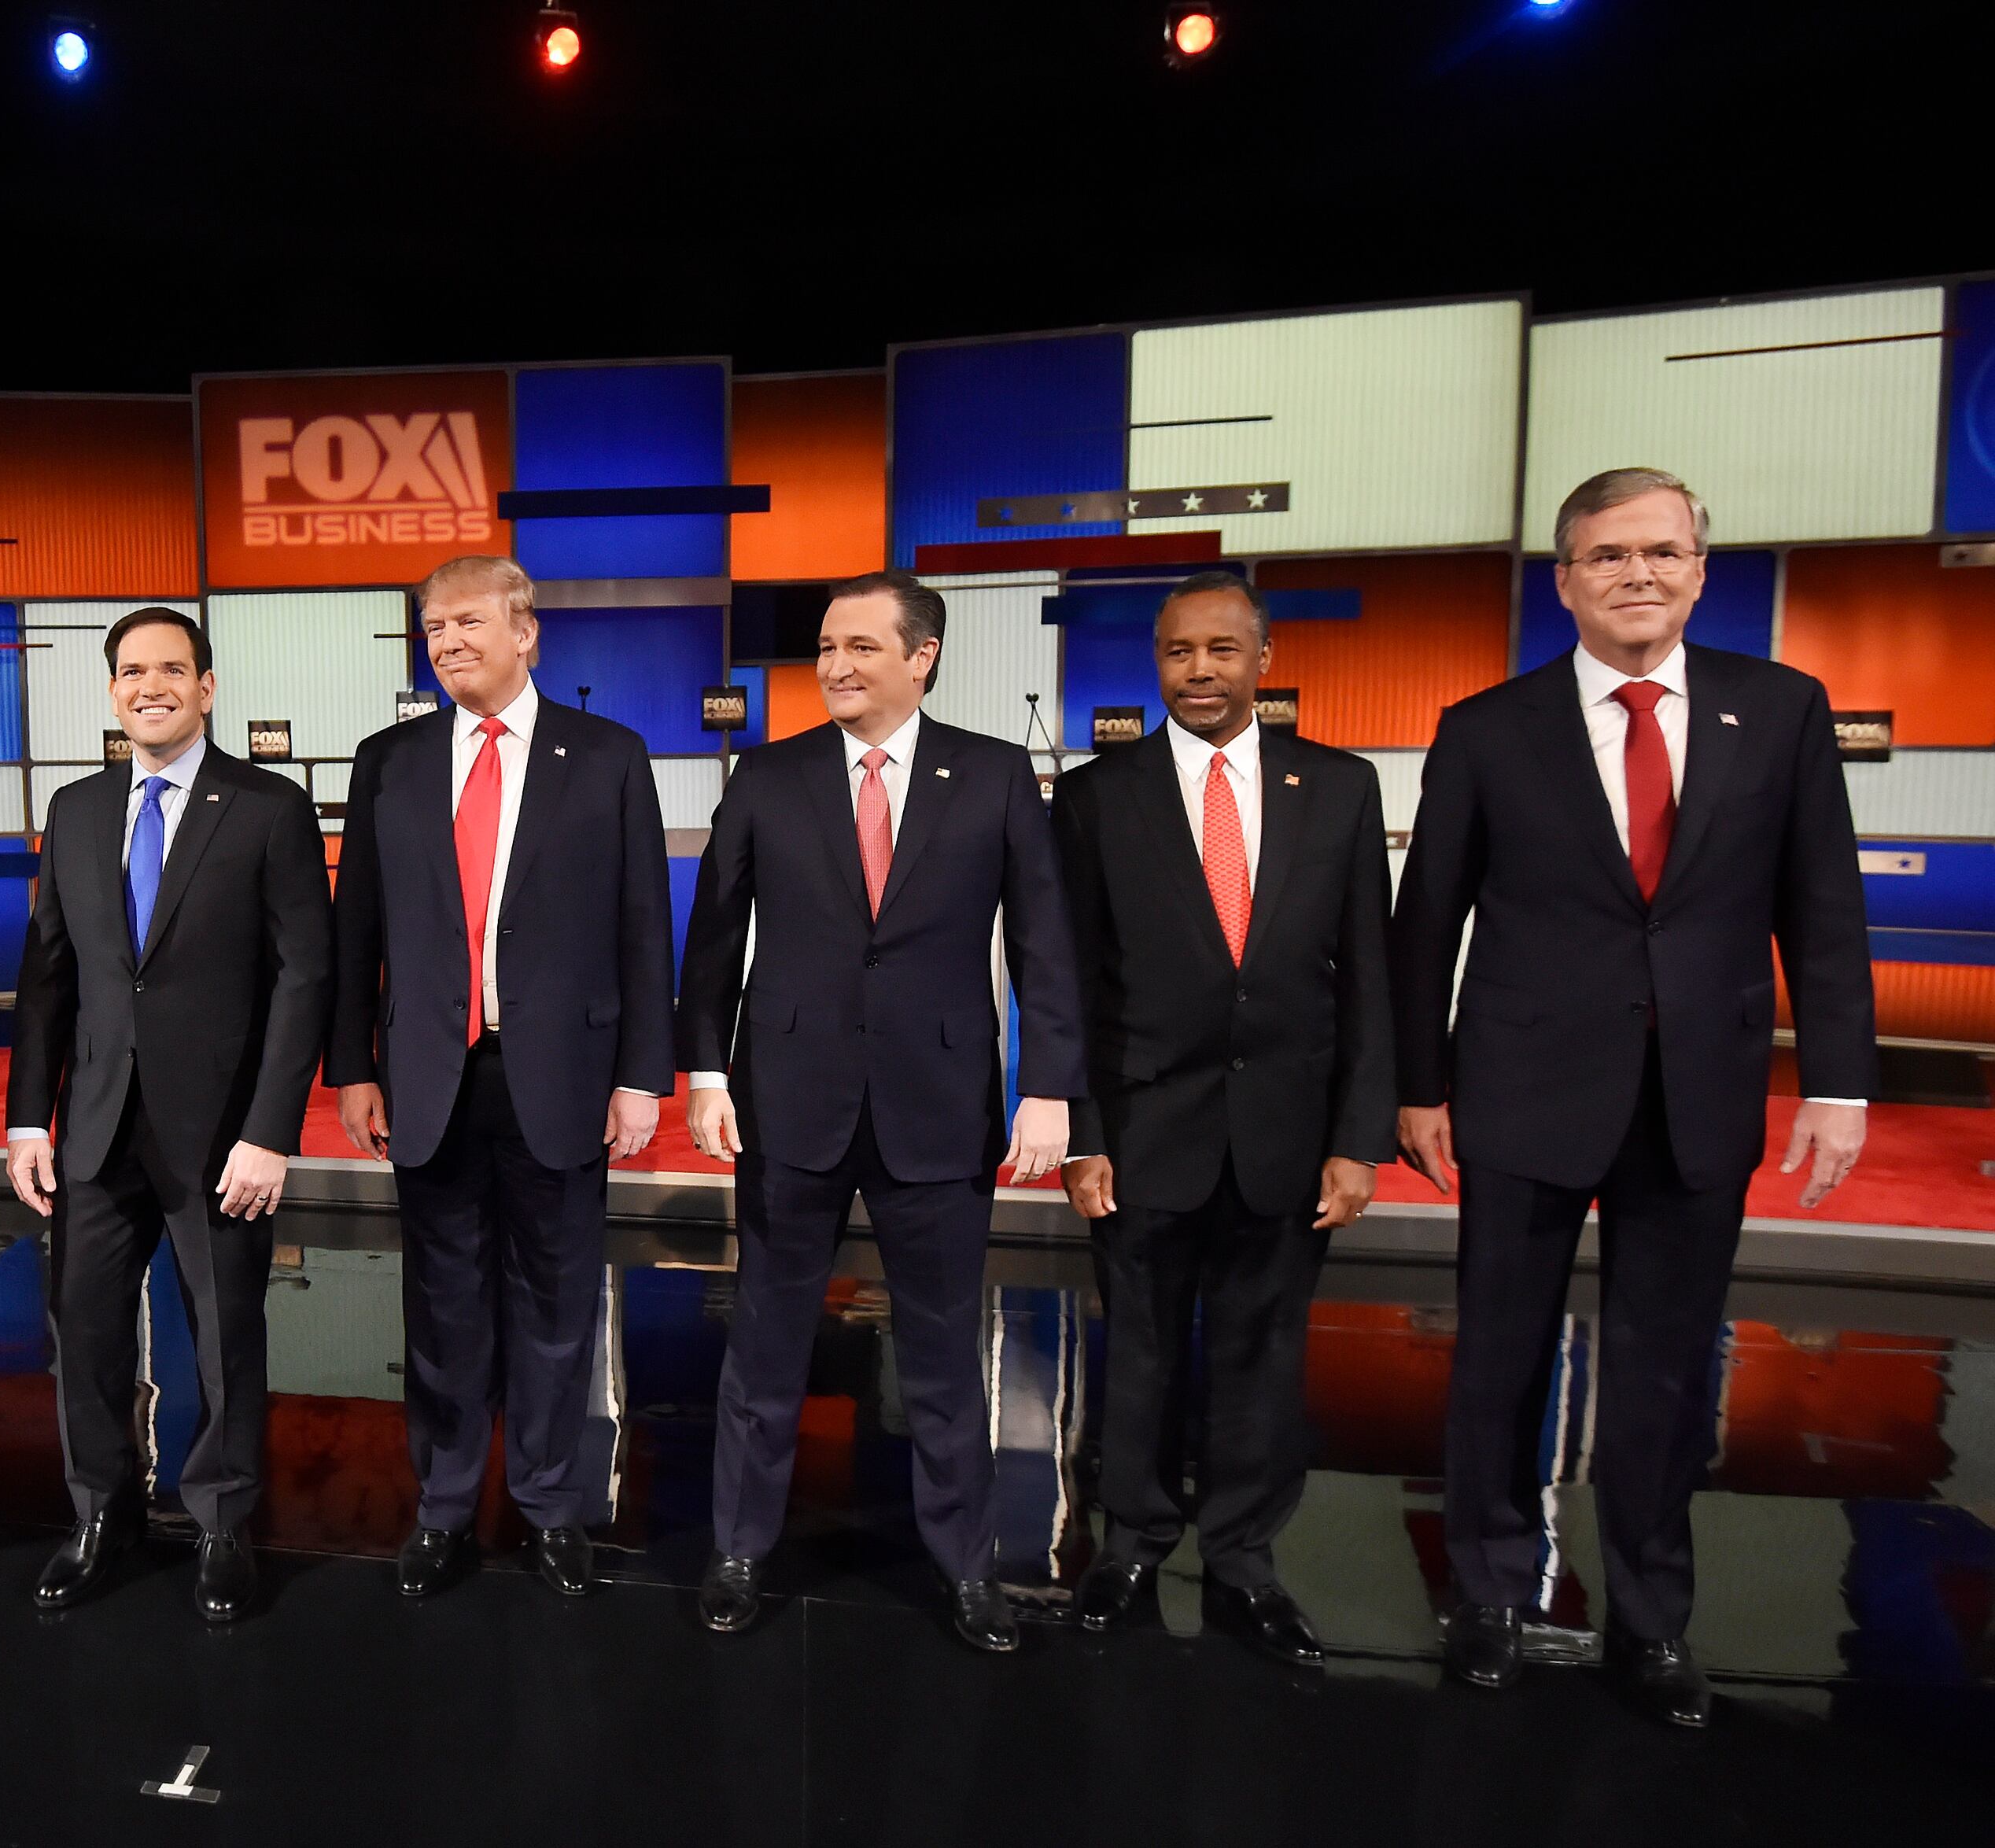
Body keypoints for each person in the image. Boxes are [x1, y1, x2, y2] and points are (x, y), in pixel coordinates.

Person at [1393, 467, 1875, 1725]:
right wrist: (1416, 1085)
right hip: (1521, 1086)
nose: (1638, 574)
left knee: (1667, 1376)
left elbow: (1823, 910)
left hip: (1699, 1091)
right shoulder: (1488, 727)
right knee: (1498, 1356)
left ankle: (1654, 1619)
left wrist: (1838, 1080)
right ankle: (1493, 1593)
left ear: (1701, 569)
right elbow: (1423, 924)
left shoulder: (1780, 711)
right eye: (1608, 555)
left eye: (1662, 551)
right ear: (1566, 580)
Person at [677, 568, 1082, 1651]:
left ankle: (966, 1569)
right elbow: (714, 936)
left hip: (940, 1106)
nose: (837, 666)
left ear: (923, 655)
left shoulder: (995, 777)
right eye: (825, 648)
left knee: (948, 1355)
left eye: (861, 646)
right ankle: (739, 1549)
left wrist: (1048, 1087)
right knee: (764, 1343)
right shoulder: (769, 774)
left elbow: (1045, 944)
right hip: (790, 1101)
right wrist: (706, 1073)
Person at [1049, 571, 1396, 1666]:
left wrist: (1358, 1135)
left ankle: (1247, 1561)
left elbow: (1370, 981)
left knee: (1263, 1354)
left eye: (1221, 650)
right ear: (1157, 660)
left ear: (1262, 656)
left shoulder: (1338, 788)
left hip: (1289, 1134)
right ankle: (1133, 1544)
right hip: (1145, 1128)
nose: (1199, 671)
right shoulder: (1099, 796)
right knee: (1141, 1352)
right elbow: (1073, 985)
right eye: (1178, 652)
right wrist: (1086, 1131)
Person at [329, 555, 677, 1599]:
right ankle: (440, 1506)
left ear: (529, 631)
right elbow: (359, 933)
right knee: (440, 1307)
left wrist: (640, 1075)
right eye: (433, 629)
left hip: (565, 1074)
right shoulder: (387, 760)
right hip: (433, 1076)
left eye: (467, 622)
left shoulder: (608, 756)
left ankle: (552, 1501)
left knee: (559, 1303)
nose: (447, 642)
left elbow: (642, 926)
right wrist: (352, 1067)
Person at [6, 607, 334, 1624]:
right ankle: (103, 1514)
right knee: (87, 1331)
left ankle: (225, 1522)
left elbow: (303, 977)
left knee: (225, 1335)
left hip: (224, 1133)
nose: (151, 685)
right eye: (131, 671)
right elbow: (47, 977)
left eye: (172, 669)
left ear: (207, 686)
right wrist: (27, 1119)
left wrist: (273, 1129)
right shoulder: (74, 809)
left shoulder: (270, 808)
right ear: (112, 690)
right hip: (95, 1126)